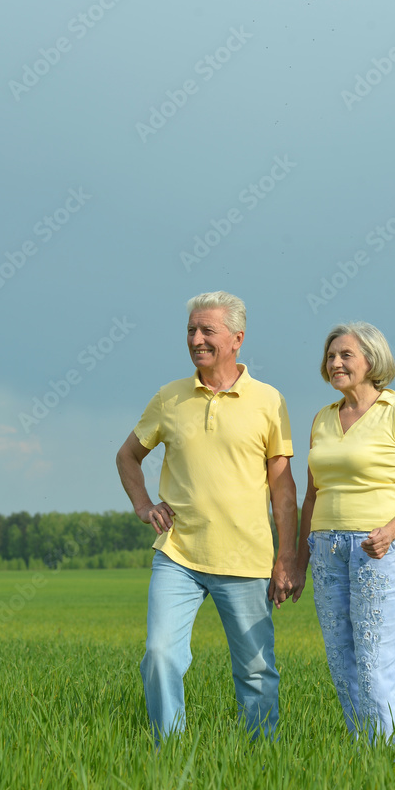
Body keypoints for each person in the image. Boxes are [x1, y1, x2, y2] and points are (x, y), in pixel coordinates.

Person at [116, 291, 297, 742]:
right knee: (160, 655)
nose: (196, 339)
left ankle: (262, 761)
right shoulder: (169, 397)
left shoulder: (268, 401)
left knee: (256, 670)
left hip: (245, 558)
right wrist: (143, 505)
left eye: (207, 331)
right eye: (192, 331)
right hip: (178, 554)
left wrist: (286, 558)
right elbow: (127, 456)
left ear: (237, 338)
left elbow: (283, 489)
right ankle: (169, 750)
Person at [296, 322, 395, 742]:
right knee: (342, 660)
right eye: (330, 356)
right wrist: (296, 562)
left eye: (345, 355)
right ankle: (362, 750)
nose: (335, 363)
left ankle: (383, 756)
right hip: (325, 550)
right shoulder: (322, 419)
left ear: (371, 361)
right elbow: (310, 497)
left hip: (378, 550)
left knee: (376, 659)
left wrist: (390, 531)